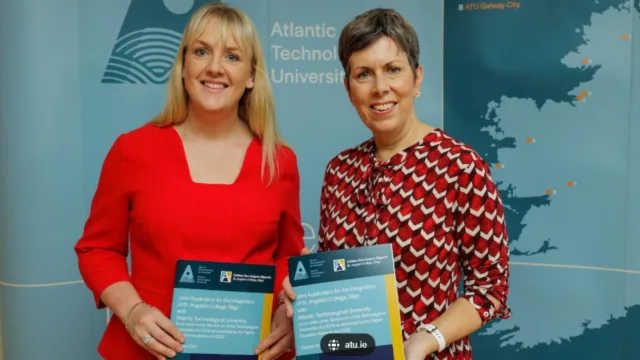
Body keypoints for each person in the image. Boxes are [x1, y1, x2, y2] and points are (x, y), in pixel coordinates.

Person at [74, 3, 304, 360]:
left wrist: (283, 315)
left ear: (251, 76)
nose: (214, 67)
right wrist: (133, 312)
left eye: (232, 56)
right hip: (146, 352)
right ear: (183, 67)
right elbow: (98, 250)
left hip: (250, 351)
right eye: (201, 51)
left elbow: (286, 257)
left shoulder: (279, 162)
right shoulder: (132, 150)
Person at [281, 8, 511, 360]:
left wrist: (426, 339)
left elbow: (490, 289)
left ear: (416, 79)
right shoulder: (339, 171)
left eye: (393, 69)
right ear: (348, 89)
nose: (380, 88)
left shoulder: (461, 167)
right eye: (363, 74)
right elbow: (337, 275)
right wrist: (307, 286)